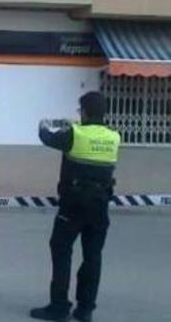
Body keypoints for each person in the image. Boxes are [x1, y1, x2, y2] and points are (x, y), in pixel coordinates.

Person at [30, 91, 121, 322]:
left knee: (61, 251)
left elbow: (47, 136)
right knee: (93, 256)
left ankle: (59, 307)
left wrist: (45, 123)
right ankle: (85, 309)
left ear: (86, 111)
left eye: (81, 110)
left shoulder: (74, 133)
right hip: (100, 205)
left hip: (73, 204)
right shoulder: (114, 137)